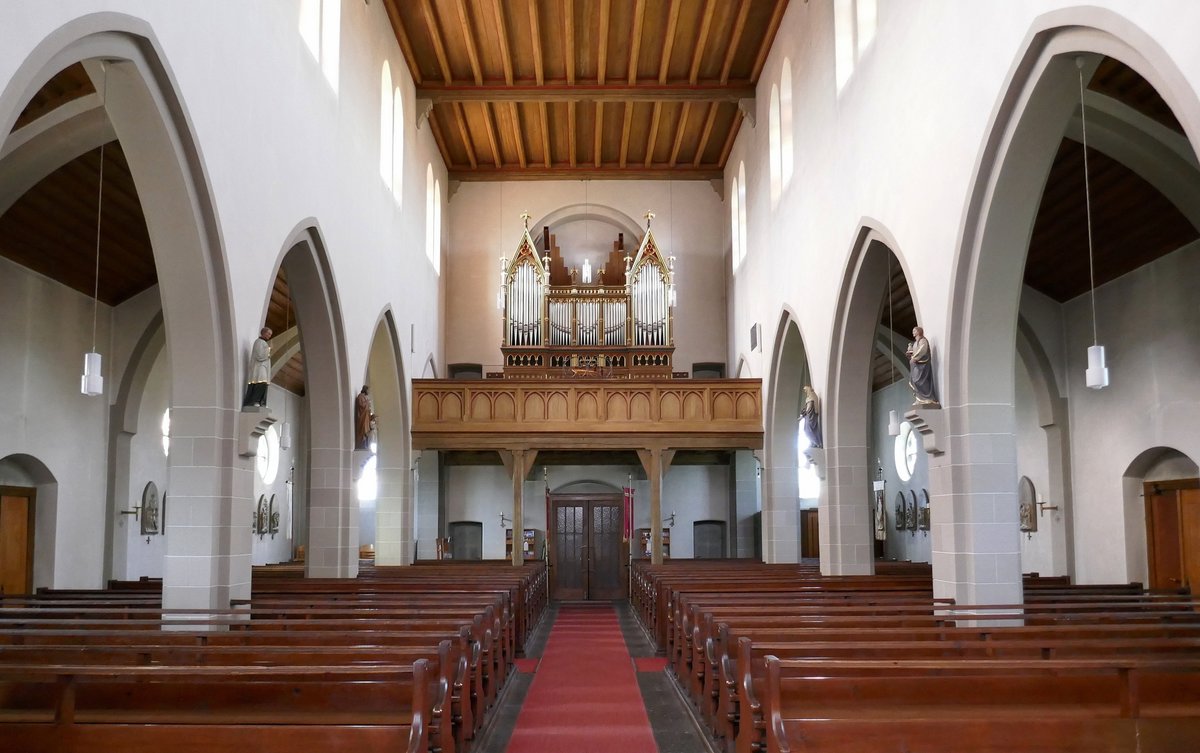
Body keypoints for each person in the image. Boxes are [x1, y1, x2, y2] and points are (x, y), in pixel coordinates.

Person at [905, 326, 939, 407]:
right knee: (915, 380)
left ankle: (928, 398)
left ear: (919, 331)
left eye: (914, 331)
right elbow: (914, 352)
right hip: (916, 365)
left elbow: (923, 350)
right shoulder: (915, 343)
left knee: (921, 380)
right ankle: (920, 399)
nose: (913, 332)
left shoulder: (923, 340)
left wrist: (915, 357)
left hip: (922, 365)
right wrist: (910, 353)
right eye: (913, 331)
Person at [242, 327, 272, 408]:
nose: (269, 336)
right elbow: (259, 356)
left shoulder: (264, 343)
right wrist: (268, 350)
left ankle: (261, 401)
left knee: (264, 383)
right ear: (263, 333)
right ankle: (255, 401)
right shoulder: (259, 342)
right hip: (259, 367)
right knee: (261, 381)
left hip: (264, 367)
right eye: (268, 333)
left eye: (270, 334)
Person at [355, 385, 376, 450]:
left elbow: (367, 408)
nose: (368, 392)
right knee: (363, 431)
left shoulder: (364, 397)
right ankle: (362, 445)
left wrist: (371, 416)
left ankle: (366, 445)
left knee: (367, 432)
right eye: (368, 390)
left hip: (366, 417)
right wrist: (367, 402)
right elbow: (361, 405)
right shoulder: (360, 396)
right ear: (365, 390)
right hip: (362, 418)